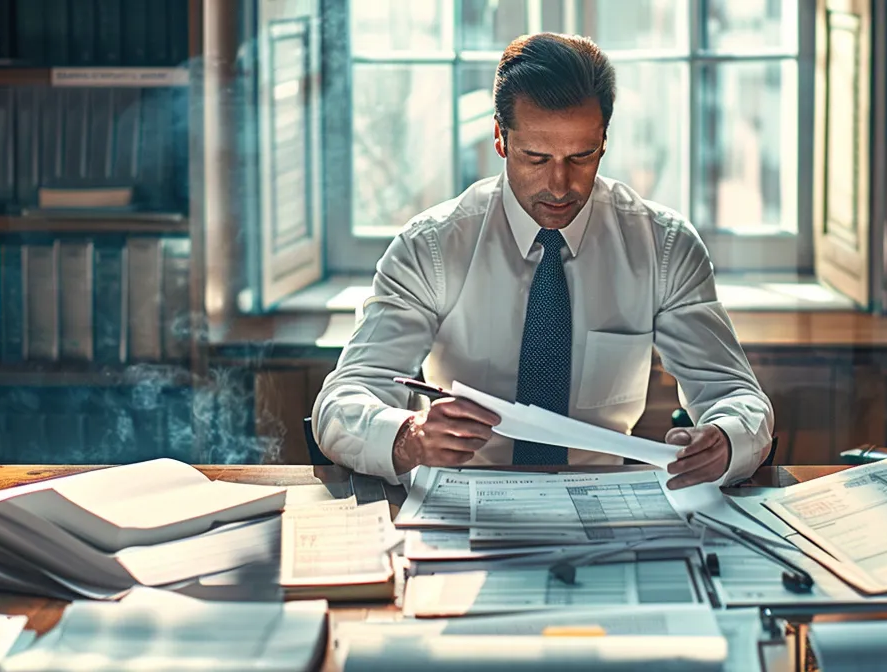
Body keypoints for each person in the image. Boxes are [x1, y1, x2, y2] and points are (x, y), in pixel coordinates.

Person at [312, 32, 773, 490]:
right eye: (535, 157)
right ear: (500, 138)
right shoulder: (431, 247)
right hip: (462, 497)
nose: (559, 183)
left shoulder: (663, 246)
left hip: (603, 500)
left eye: (581, 155)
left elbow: (735, 395)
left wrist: (726, 439)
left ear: (604, 141)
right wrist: (407, 437)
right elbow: (342, 400)